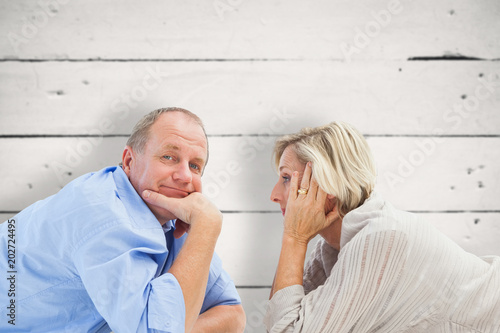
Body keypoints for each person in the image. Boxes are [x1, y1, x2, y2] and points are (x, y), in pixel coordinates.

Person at [0, 107, 246, 332]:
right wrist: (206, 228)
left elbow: (232, 314)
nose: (184, 176)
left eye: (194, 166)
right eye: (169, 157)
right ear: (129, 161)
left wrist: (178, 324)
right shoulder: (102, 211)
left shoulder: (173, 220)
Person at [264, 121, 500, 332]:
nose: (274, 195)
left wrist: (294, 238)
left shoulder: (381, 237)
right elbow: (279, 321)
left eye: (286, 178)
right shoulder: (332, 247)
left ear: (326, 185)